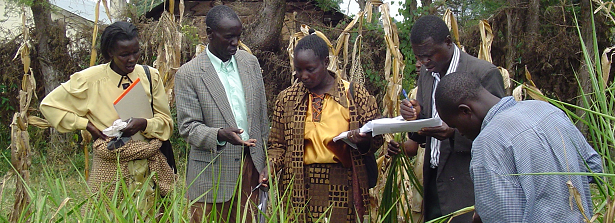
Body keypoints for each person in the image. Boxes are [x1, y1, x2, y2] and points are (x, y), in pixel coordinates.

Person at [40, 21, 175, 215]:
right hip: (111, 164)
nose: (132, 59)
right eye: (124, 54)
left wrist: (143, 124)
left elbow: (166, 124)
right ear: (110, 52)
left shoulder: (149, 75)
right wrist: (86, 125)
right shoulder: (90, 79)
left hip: (149, 164)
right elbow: (48, 106)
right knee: (107, 215)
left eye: (136, 52)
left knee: (153, 216)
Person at [433, 72, 603, 222]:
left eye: (455, 125)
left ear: (465, 111)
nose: (459, 133)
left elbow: (504, 217)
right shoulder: (547, 110)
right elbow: (594, 167)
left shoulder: (487, 144)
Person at [391, 15, 506, 222]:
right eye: (419, 57)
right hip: (434, 182)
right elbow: (425, 126)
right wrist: (415, 115)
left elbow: (500, 135)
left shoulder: (482, 73)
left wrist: (453, 133)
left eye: (429, 55)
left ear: (448, 42)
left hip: (468, 184)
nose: (424, 62)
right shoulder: (427, 74)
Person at [264, 33, 383, 223]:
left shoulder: (354, 94)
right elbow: (277, 144)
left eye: (310, 69)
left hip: (342, 186)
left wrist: (363, 140)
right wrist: (270, 167)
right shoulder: (287, 99)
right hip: (297, 184)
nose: (304, 76)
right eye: (298, 70)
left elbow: (377, 136)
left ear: (326, 62)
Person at [174, 5, 269, 223]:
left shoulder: (250, 63)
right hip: (211, 172)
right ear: (210, 34)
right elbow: (188, 128)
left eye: (238, 36)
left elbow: (263, 118)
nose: (235, 42)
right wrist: (219, 134)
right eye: (229, 37)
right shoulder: (189, 74)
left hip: (251, 167)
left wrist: (266, 162)